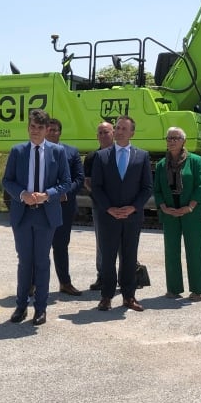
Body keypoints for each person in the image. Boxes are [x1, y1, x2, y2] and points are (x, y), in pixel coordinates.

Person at [2, 108, 71, 326]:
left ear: (46, 129)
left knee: (42, 262)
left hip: (46, 215)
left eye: (40, 128)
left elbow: (66, 182)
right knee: (24, 262)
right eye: (32, 126)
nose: (35, 131)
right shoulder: (17, 151)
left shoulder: (57, 152)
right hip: (23, 214)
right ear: (28, 127)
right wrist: (22, 194)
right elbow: (7, 181)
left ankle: (40, 309)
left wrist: (47, 195)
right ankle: (21, 306)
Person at [91, 115, 152, 311]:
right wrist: (109, 208)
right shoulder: (102, 157)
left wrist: (133, 207)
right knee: (108, 257)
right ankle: (106, 296)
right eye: (117, 128)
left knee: (129, 256)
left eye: (124, 128)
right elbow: (97, 188)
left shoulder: (142, 156)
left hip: (132, 217)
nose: (119, 131)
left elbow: (147, 187)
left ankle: (129, 296)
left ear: (132, 132)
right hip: (108, 216)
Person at [153, 127, 201, 301]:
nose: (171, 141)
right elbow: (158, 189)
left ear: (184, 141)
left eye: (176, 138)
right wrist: (163, 206)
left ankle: (197, 290)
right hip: (169, 212)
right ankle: (173, 288)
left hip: (191, 212)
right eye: (169, 138)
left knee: (195, 250)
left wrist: (190, 207)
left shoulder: (196, 161)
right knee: (171, 251)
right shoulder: (161, 164)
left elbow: (200, 186)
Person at [46, 118, 85, 296]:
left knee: (61, 246)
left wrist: (65, 193)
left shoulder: (71, 152)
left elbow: (79, 178)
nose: (53, 132)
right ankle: (33, 284)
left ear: (60, 132)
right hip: (42, 206)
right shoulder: (37, 152)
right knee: (40, 247)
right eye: (50, 129)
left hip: (64, 206)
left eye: (56, 130)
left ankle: (65, 283)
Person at [83, 121, 115, 291]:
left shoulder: (121, 154)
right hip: (100, 206)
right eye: (100, 133)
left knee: (123, 243)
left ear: (113, 133)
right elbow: (87, 182)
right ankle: (102, 276)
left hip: (121, 205)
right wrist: (102, 199)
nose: (103, 135)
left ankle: (126, 275)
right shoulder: (91, 157)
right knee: (101, 242)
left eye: (106, 132)